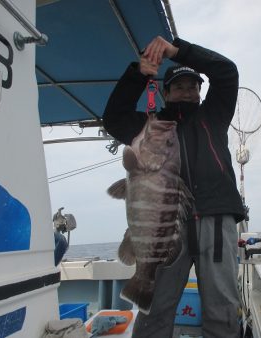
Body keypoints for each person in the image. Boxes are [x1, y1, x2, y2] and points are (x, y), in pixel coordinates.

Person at [103, 36, 245, 338]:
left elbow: (226, 72)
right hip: (163, 228)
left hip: (215, 219)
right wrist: (139, 73)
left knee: (222, 307)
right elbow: (113, 118)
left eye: (193, 86)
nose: (188, 91)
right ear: (165, 92)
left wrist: (178, 51)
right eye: (179, 86)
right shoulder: (152, 126)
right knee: (156, 307)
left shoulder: (215, 114)